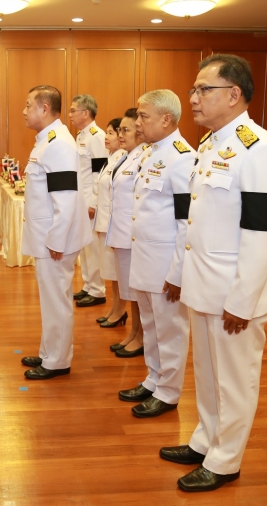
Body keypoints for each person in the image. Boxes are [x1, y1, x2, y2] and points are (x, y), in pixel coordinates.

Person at [159, 54, 267, 492]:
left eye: (202, 90)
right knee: (208, 376)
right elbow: (194, 222)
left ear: (234, 95)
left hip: (235, 294)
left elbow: (262, 233)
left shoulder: (260, 149)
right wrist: (179, 273)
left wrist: (242, 301)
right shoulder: (212, 145)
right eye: (194, 90)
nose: (192, 99)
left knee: (234, 381)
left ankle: (226, 460)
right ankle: (204, 440)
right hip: (203, 284)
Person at [117, 90, 195, 418]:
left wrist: (177, 273)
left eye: (143, 116)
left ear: (166, 119)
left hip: (165, 262)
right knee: (150, 325)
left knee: (170, 329)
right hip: (145, 256)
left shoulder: (182, 157)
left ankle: (169, 391)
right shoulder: (150, 152)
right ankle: (153, 378)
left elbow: (186, 222)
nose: (138, 122)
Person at [20, 85, 92, 380]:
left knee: (57, 299)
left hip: (54, 238)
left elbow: (66, 197)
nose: (24, 112)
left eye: (28, 106)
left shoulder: (59, 143)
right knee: (51, 299)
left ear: (44, 108)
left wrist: (56, 240)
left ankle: (57, 361)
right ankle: (50, 351)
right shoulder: (47, 141)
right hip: (49, 236)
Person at [104, 109, 145, 356]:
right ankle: (133, 332)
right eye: (120, 130)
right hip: (120, 234)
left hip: (132, 236)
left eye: (126, 130)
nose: (121, 134)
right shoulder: (123, 157)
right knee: (131, 292)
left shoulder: (142, 157)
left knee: (138, 294)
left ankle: (140, 336)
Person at [69, 95, 108, 308]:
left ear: (86, 113)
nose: (70, 115)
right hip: (81, 200)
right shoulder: (81, 136)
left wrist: (93, 202)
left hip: (90, 202)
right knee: (84, 246)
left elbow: (99, 173)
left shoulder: (96, 136)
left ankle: (98, 290)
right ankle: (88, 285)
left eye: (73, 110)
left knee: (92, 247)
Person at [92, 117, 128, 328]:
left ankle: (120, 310)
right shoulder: (111, 158)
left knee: (118, 274)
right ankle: (115, 308)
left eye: (111, 133)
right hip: (105, 224)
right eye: (107, 132)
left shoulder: (123, 158)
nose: (107, 137)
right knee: (112, 274)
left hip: (114, 225)